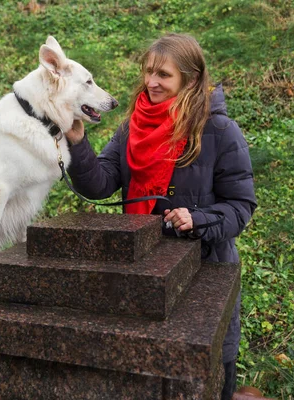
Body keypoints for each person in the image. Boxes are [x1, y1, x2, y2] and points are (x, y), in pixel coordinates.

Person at [64, 33, 257, 400]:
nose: (151, 82)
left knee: (204, 381)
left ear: (191, 78)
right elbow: (100, 184)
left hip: (202, 280)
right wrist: (78, 142)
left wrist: (198, 219)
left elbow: (240, 207)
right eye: (149, 72)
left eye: (164, 75)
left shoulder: (219, 131)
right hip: (139, 279)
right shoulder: (130, 128)